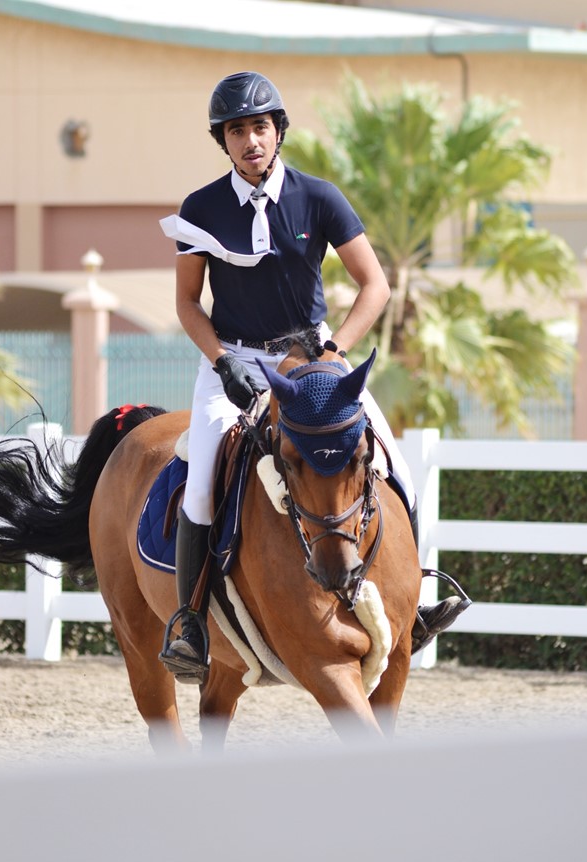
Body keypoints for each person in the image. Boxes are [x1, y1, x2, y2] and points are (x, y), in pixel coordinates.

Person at [159, 71, 467, 683]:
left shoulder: (319, 197)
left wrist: (334, 348)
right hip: (233, 362)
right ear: (224, 140)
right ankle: (190, 622)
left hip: (315, 359)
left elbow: (374, 285)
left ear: (278, 132)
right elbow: (188, 304)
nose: (250, 140)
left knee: (394, 465)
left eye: (260, 127)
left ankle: (415, 599)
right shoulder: (201, 208)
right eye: (237, 131)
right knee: (200, 481)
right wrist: (222, 361)